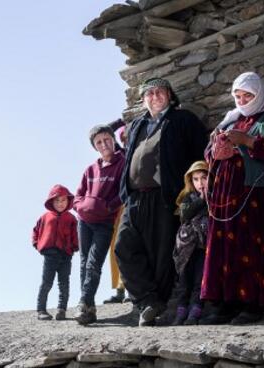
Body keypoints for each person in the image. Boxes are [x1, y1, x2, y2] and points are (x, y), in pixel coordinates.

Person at [115, 77, 208, 326]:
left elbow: (203, 152)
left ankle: (155, 306)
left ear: (169, 95)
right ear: (144, 99)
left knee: (162, 254)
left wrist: (197, 188)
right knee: (123, 248)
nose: (154, 96)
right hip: (135, 198)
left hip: (165, 197)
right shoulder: (137, 124)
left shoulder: (183, 120)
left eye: (159, 92)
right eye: (149, 93)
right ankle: (147, 299)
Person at [201, 72, 264, 325]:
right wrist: (216, 150)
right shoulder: (229, 120)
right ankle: (225, 304)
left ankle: (252, 304)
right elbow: (209, 154)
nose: (242, 100)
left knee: (251, 244)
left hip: (256, 192)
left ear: (259, 94)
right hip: (225, 193)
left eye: (247, 95)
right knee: (224, 248)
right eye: (238, 96)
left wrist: (247, 140)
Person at [74, 123, 126, 325]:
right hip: (84, 223)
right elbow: (78, 194)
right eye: (98, 142)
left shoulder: (122, 163)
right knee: (84, 263)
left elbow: (123, 193)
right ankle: (89, 307)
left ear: (113, 140)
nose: (103, 144)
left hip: (104, 223)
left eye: (106, 140)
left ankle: (84, 302)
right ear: (94, 147)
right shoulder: (90, 169)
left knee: (94, 263)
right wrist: (80, 207)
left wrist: (106, 208)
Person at [165, 161, 209, 326]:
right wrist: (201, 200)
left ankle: (194, 314)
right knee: (184, 283)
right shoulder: (188, 197)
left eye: (204, 178)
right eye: (196, 179)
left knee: (200, 281)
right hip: (186, 248)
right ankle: (180, 314)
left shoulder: (216, 197)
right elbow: (184, 216)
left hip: (203, 247)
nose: (200, 183)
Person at [32, 185, 78, 321]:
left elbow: (76, 234)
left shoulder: (71, 218)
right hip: (50, 254)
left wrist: (75, 247)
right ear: (51, 201)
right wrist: (37, 244)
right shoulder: (45, 217)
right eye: (57, 201)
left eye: (63, 200)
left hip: (66, 255)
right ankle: (41, 310)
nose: (60, 204)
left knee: (64, 283)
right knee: (46, 282)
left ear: (68, 201)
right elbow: (36, 231)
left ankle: (61, 310)